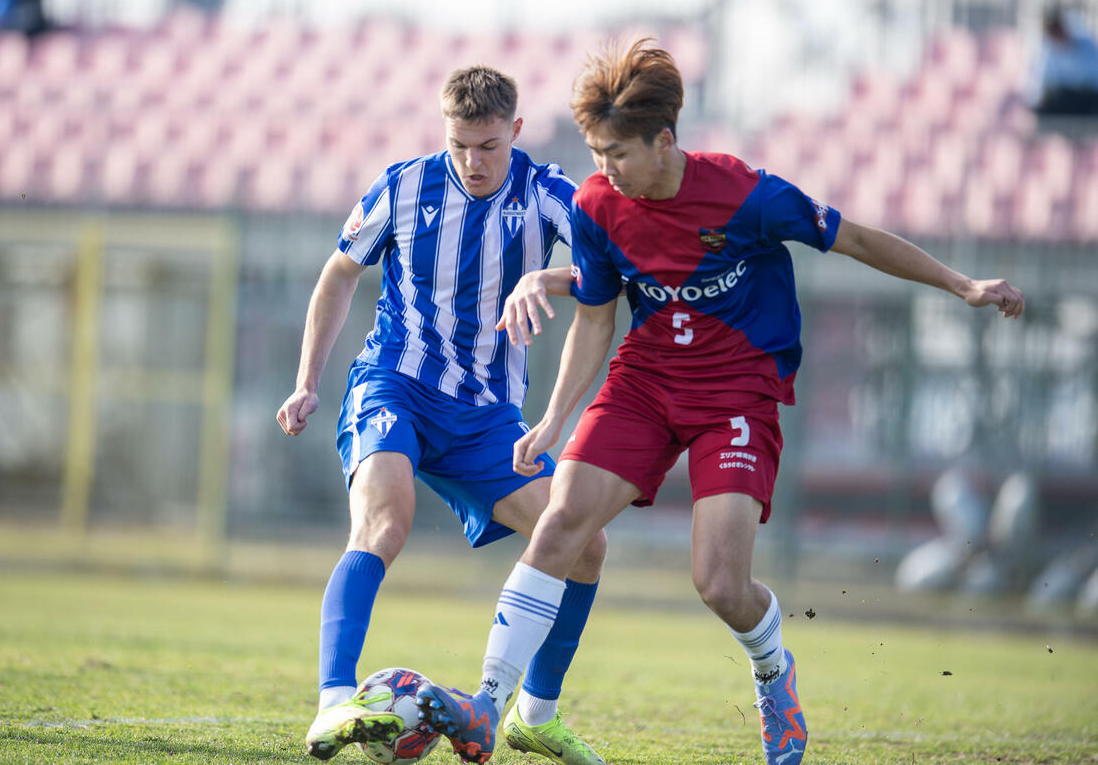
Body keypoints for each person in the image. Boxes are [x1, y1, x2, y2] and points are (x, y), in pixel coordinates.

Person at [415, 38, 1025, 765]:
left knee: (719, 583)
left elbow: (856, 238)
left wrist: (962, 285)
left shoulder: (746, 195)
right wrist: (554, 418)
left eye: (616, 153)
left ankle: (773, 675)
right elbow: (597, 316)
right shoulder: (596, 204)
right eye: (595, 151)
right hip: (644, 384)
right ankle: (487, 706)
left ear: (664, 140)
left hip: (737, 392)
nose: (603, 169)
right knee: (561, 520)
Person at [276, 65, 608, 765]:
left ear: (515, 132)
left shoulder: (549, 195)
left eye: (488, 145)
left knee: (584, 542)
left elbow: (612, 273)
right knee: (384, 522)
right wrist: (307, 381)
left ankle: (534, 716)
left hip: (485, 415)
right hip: (394, 381)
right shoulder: (402, 186)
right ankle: (334, 702)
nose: (473, 161)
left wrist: (545, 275)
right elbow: (340, 272)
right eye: (460, 144)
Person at [1029, 5, 1098, 118]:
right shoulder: (1051, 52)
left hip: (1087, 98)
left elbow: (1093, 78)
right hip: (1063, 99)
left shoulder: (1086, 45)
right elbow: (1046, 81)